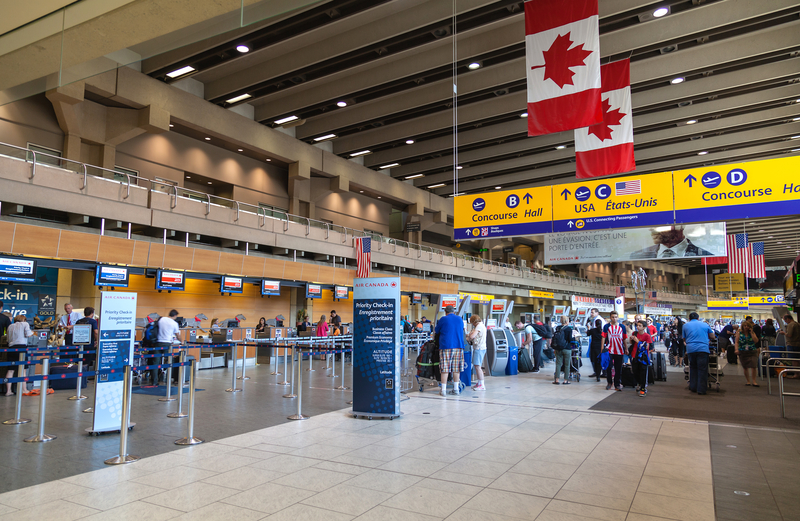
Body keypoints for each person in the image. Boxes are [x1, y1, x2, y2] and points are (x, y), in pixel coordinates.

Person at [629, 226, 715, 259]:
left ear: (680, 227)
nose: (651, 229)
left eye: (660, 224)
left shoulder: (706, 256)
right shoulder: (636, 256)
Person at [435, 305, 465, 397]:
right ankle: (456, 389)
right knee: (456, 369)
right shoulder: (460, 319)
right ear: (454, 312)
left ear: (445, 312)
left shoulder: (443, 319)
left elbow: (436, 331)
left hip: (446, 346)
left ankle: (443, 390)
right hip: (458, 346)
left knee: (445, 368)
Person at [683, 312, 715, 395]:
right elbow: (712, 336)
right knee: (702, 369)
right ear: (698, 318)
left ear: (689, 318)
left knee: (693, 368)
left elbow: (684, 338)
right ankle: (701, 390)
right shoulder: (705, 324)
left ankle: (693, 387)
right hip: (703, 349)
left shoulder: (685, 325)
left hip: (691, 349)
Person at [150, 310, 180, 386]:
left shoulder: (161, 319)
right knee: (171, 361)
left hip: (158, 343)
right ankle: (173, 379)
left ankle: (154, 381)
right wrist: (182, 341)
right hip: (167, 344)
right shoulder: (174, 323)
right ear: (175, 316)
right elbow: (177, 335)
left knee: (156, 362)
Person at [8, 315, 34, 395]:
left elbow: (8, 338)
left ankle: (8, 391)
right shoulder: (25, 324)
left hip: (11, 348)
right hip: (21, 348)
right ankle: (24, 390)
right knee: (23, 370)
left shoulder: (10, 326)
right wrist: (33, 332)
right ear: (23, 319)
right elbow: (29, 334)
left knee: (10, 370)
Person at [602, 311, 627, 391]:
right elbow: (603, 337)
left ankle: (617, 383)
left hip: (619, 350)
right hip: (609, 350)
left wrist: (626, 348)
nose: (614, 318)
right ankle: (609, 382)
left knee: (618, 368)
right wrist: (602, 348)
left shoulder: (622, 327)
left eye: (616, 317)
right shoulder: (606, 326)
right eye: (612, 317)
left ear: (618, 317)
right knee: (608, 367)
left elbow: (624, 338)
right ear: (610, 317)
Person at [630, 320, 653, 397]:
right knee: (635, 371)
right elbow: (631, 344)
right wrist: (631, 339)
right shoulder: (634, 333)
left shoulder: (647, 336)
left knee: (643, 373)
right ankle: (639, 383)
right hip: (634, 355)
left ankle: (643, 388)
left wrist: (638, 342)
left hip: (643, 357)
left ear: (644, 327)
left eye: (640, 326)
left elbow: (646, 347)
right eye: (637, 325)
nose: (638, 327)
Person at [735, 320, 760, 386]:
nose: (746, 327)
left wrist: (751, 333)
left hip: (752, 351)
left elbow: (756, 341)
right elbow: (737, 342)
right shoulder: (739, 333)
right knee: (745, 367)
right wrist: (736, 349)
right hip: (743, 351)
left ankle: (754, 381)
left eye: (747, 326)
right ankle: (748, 381)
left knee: (753, 366)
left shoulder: (752, 333)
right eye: (745, 326)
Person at [467, 314, 486, 391]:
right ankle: (479, 382)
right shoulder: (482, 325)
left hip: (479, 348)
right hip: (480, 348)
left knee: (478, 367)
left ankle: (482, 385)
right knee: (476, 366)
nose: (472, 324)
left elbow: (472, 337)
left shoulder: (479, 326)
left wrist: (468, 337)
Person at [552, 316, 573, 385]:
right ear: (567, 321)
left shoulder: (557, 328)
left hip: (558, 348)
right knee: (567, 365)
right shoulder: (569, 329)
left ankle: (557, 380)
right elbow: (570, 339)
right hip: (567, 348)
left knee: (558, 364)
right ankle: (565, 380)